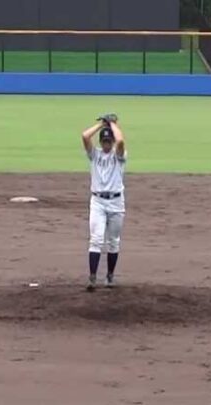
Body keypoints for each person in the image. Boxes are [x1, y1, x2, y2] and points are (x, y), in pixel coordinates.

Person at [80, 113, 127, 291]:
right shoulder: (94, 155)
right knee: (96, 239)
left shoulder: (119, 156)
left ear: (112, 142)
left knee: (113, 241)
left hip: (116, 202)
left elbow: (121, 142)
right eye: (104, 141)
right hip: (98, 202)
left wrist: (113, 125)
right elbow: (85, 136)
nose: (107, 144)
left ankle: (110, 277)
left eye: (109, 142)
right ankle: (92, 278)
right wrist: (101, 124)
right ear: (100, 142)